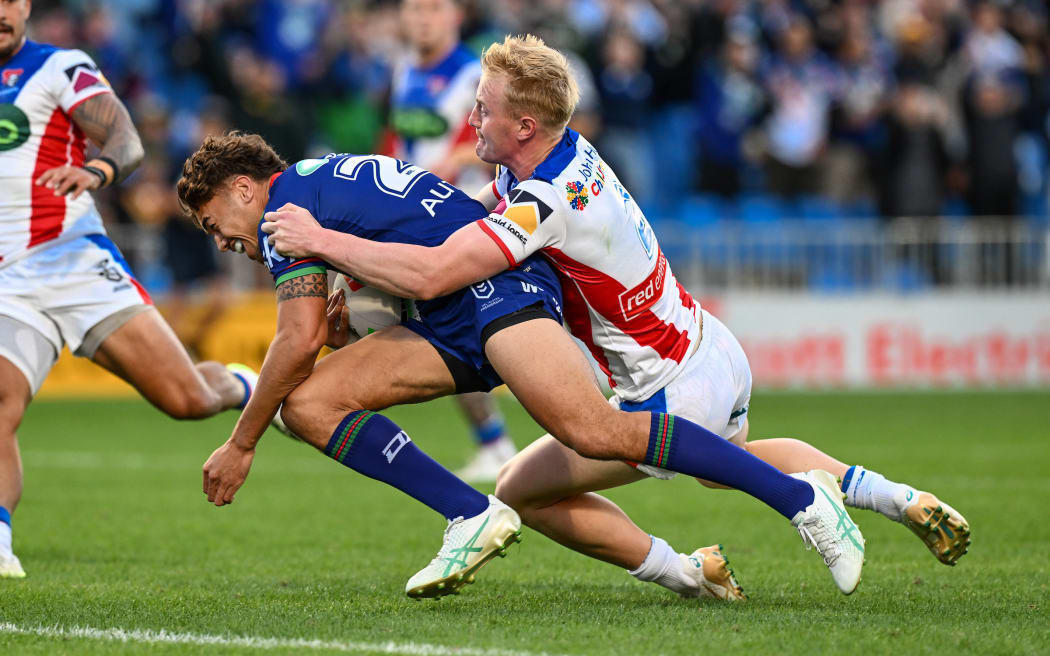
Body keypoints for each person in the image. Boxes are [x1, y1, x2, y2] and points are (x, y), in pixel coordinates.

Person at [263, 34, 970, 593]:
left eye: (482, 108)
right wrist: (353, 273)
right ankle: (891, 495)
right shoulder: (545, 161)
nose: (469, 118)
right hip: (707, 346)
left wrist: (319, 242)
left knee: (527, 486)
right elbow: (463, 223)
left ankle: (743, 542)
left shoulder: (546, 201)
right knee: (727, 466)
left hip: (669, 389)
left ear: (525, 125)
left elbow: (438, 269)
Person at [0, 0, 259, 580]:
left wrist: (96, 173)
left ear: (26, 8)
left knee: (186, 400)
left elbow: (125, 137)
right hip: (5, 282)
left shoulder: (60, 68)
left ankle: (242, 382)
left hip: (72, 262)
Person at [390, 0, 515, 482]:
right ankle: (495, 443)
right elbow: (402, 141)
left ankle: (500, 442)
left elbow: (491, 139)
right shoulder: (404, 71)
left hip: (462, 214)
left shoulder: (473, 74)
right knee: (453, 332)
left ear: (454, 17)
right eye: (414, 9)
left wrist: (450, 163)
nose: (422, 18)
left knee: (461, 332)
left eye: (433, 9)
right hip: (414, 217)